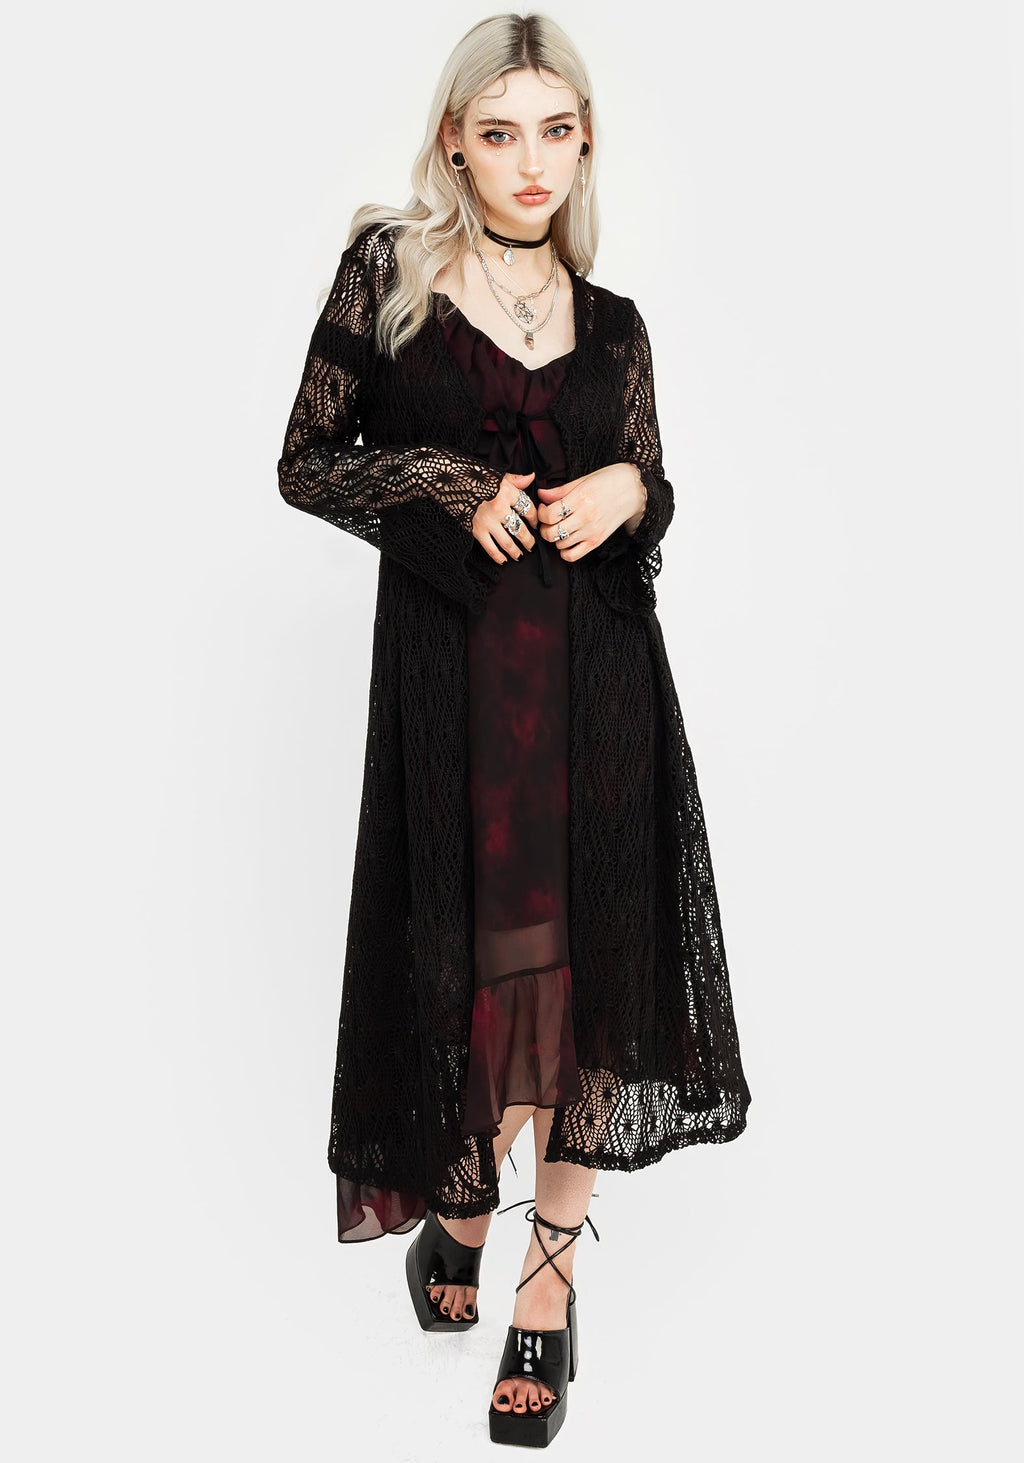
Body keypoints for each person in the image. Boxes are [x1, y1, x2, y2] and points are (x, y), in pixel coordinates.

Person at [277, 10, 752, 1448]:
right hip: (455, 700)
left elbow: (647, 484)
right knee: (471, 966)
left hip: (597, 702)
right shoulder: (390, 278)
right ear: (454, 143)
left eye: (555, 131)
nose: (530, 162)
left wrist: (634, 494)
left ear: (585, 141)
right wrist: (445, 484)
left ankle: (546, 1283)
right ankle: (464, 1213)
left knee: (591, 971)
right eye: (499, 133)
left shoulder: (617, 328)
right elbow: (309, 460)